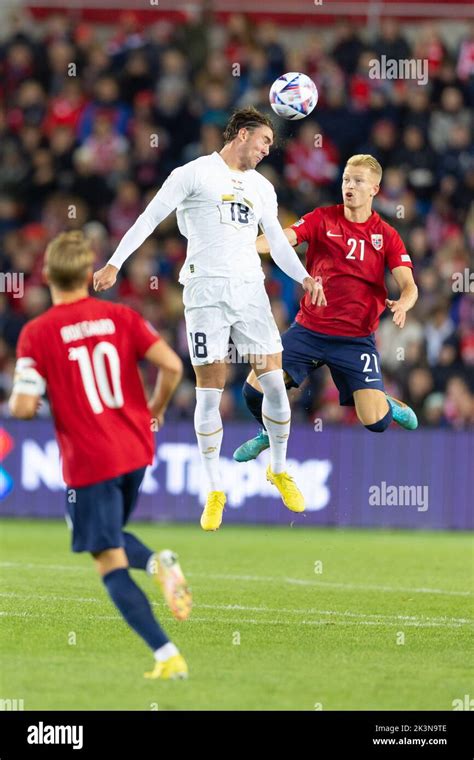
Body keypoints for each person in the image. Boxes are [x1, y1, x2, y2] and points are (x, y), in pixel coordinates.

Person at [93, 107, 322, 531]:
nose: (267, 150)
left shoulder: (263, 188)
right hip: (204, 292)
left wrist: (305, 277)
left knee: (274, 381)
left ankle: (278, 467)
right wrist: (114, 263)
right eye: (264, 142)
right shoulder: (193, 173)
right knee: (209, 392)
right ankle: (215, 487)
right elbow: (149, 218)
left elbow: (276, 242)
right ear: (241, 135)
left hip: (251, 292)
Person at [9, 230, 191, 680]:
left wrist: (32, 397)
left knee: (106, 558)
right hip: (135, 449)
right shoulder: (120, 316)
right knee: (105, 534)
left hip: (91, 459)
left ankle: (167, 654)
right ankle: (155, 563)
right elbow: (171, 366)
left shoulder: (37, 333)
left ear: (48, 274)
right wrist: (155, 409)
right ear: (90, 274)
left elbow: (24, 407)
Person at [233, 154, 419, 463]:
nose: (349, 186)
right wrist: (247, 245)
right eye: (346, 179)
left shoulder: (386, 235)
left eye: (358, 181)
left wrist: (403, 303)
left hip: (355, 339)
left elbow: (410, 286)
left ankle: (387, 402)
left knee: (375, 422)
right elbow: (283, 239)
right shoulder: (322, 218)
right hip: (310, 330)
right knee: (254, 390)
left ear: (374, 189)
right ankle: (268, 432)